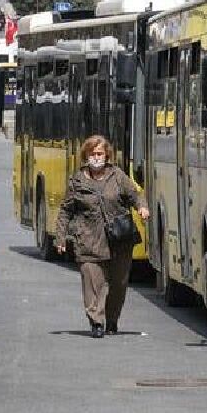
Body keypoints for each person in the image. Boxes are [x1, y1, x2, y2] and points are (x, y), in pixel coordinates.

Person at [54, 134, 150, 338]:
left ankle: (112, 319)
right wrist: (60, 238)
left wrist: (142, 208)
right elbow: (65, 211)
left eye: (100, 153)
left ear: (107, 156)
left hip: (119, 241)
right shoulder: (77, 181)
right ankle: (96, 321)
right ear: (86, 155)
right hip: (88, 239)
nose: (96, 157)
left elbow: (135, 195)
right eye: (92, 153)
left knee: (118, 284)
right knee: (92, 282)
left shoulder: (118, 176)